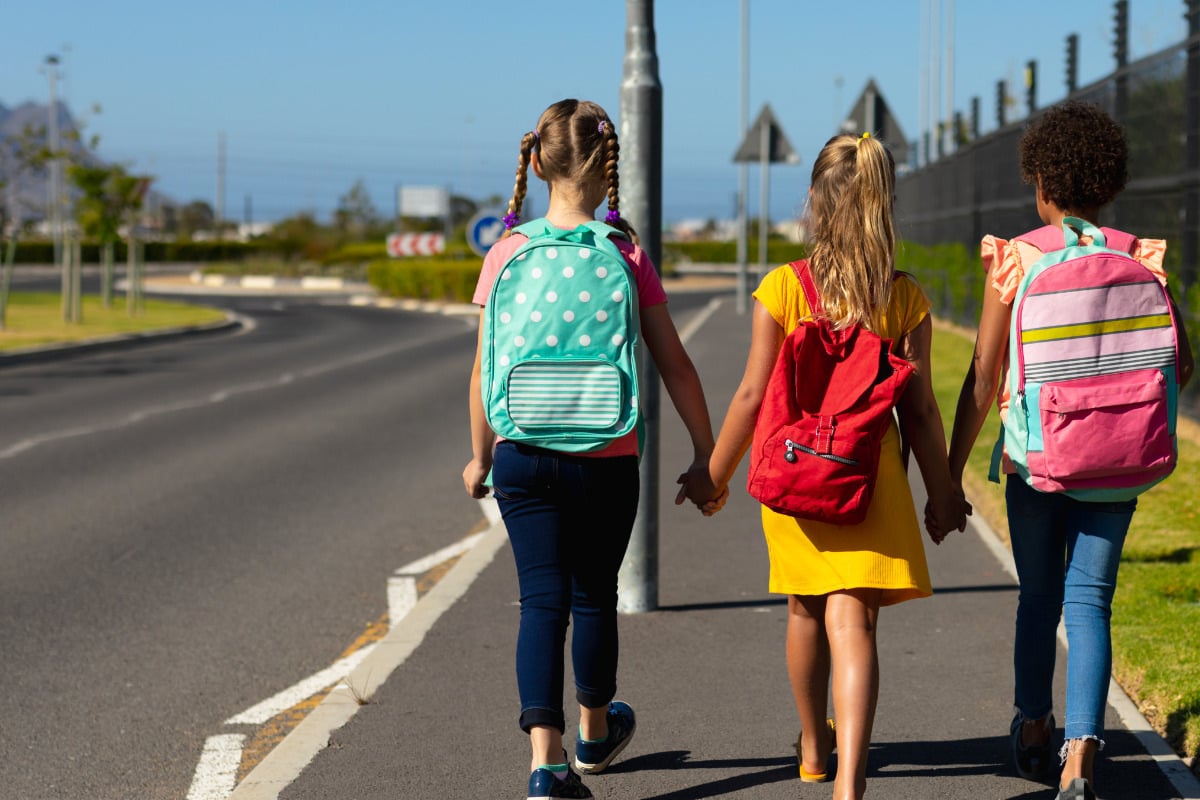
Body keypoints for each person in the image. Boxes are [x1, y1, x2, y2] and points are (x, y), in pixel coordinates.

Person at [682, 132, 968, 800]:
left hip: (794, 477)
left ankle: (813, 748)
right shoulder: (903, 300)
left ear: (812, 202)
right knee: (855, 621)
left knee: (806, 612)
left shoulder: (784, 288)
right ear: (884, 206)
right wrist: (944, 494)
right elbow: (922, 413)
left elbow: (752, 396)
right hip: (873, 481)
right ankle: (849, 783)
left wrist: (714, 477)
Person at [461, 98, 718, 800]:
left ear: (536, 163)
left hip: (522, 452)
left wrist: (481, 458)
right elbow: (675, 365)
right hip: (606, 454)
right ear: (610, 167)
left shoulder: (507, 252)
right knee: (595, 595)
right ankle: (596, 733)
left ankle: (545, 766)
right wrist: (706, 454)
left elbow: (485, 371)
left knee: (540, 602)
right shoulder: (625, 252)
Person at [943, 100, 1194, 800]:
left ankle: (1033, 726)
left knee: (1039, 599)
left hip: (1038, 458)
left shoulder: (1018, 259)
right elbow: (1182, 364)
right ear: (1109, 184)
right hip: (1120, 462)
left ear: (1040, 184)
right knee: (1091, 602)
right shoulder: (1139, 256)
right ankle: (1081, 752)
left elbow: (986, 374)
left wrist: (949, 474)